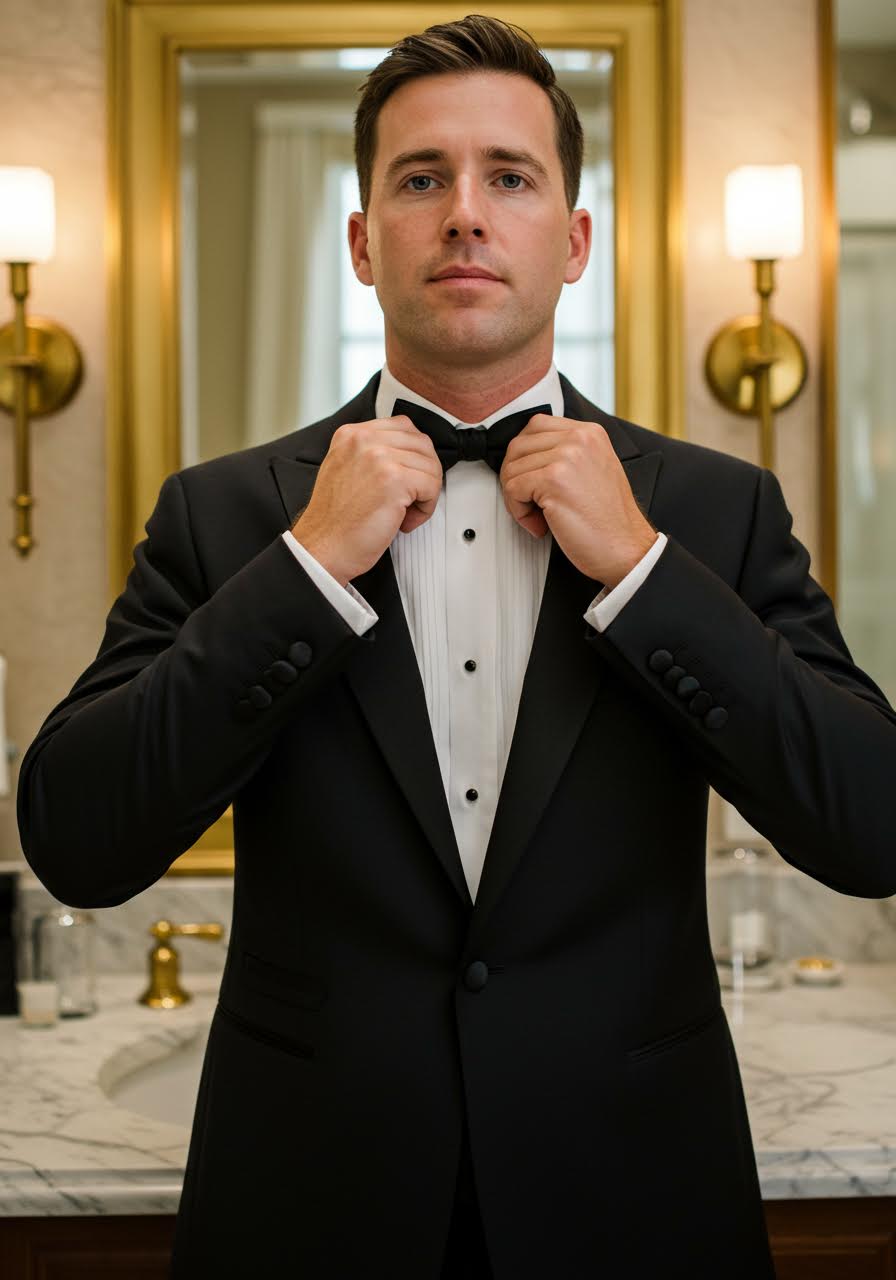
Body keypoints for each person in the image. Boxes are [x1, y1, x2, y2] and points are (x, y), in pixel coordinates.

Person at [16, 13, 896, 1279]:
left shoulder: (710, 510)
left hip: (635, 1204)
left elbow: (869, 825)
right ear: (364, 242)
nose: (465, 215)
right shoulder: (225, 516)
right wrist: (306, 570)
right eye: (421, 178)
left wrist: (644, 574)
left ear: (574, 240)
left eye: (510, 176)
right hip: (308, 1211)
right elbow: (77, 838)